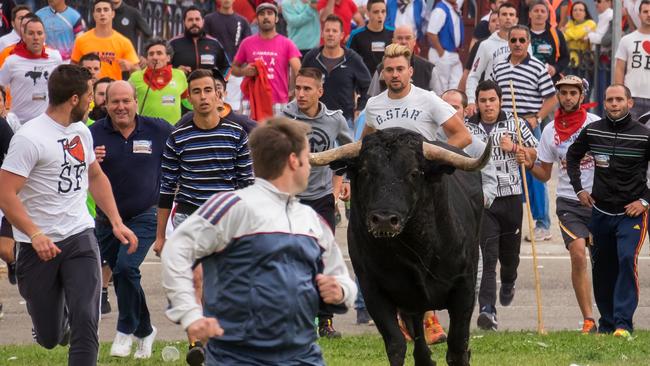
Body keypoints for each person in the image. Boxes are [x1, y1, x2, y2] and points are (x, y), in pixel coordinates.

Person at [161, 116, 357, 365]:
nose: (310, 166)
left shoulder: (310, 220)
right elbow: (176, 250)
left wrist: (340, 291)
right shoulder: (232, 207)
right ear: (294, 161)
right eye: (307, 157)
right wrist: (190, 315)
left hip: (302, 355)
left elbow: (341, 278)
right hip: (238, 356)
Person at [0, 64, 137, 366]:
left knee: (87, 320)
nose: (94, 102)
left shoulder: (80, 131)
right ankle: (52, 326)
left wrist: (116, 222)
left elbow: (96, 176)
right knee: (51, 337)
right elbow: (5, 193)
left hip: (80, 237)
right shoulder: (29, 138)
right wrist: (35, 234)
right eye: (90, 96)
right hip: (38, 247)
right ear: (75, 99)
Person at [154, 69, 255, 364]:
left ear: (218, 94)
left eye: (207, 91)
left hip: (226, 217)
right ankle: (196, 344)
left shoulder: (236, 134)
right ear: (189, 98)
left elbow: (246, 186)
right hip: (189, 216)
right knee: (195, 279)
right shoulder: (178, 137)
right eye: (196, 92)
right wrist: (160, 236)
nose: (203, 97)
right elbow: (166, 188)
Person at [90, 80, 173, 359]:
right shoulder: (92, 134)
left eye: (126, 101)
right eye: (115, 101)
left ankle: (125, 328)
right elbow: (75, 173)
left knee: (125, 269)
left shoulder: (158, 129)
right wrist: (91, 162)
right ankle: (146, 330)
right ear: (106, 104)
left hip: (145, 215)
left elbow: (181, 154)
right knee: (127, 278)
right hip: (106, 221)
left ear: (136, 102)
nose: (121, 107)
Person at [516, 75, 599, 334]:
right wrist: (529, 164)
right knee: (577, 253)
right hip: (568, 201)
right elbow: (545, 174)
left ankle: (611, 315)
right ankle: (588, 319)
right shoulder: (551, 131)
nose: (568, 98)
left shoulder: (596, 124)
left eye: (573, 93)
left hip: (599, 202)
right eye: (563, 93)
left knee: (604, 261)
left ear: (581, 96)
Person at [566, 84, 650, 338]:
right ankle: (607, 323)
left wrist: (645, 201)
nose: (614, 104)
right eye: (609, 100)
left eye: (618, 100)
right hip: (600, 212)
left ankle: (623, 324)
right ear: (604, 103)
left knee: (626, 259)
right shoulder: (593, 131)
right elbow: (572, 156)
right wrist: (579, 189)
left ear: (629, 103)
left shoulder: (644, 135)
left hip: (631, 214)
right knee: (602, 267)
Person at [282, 67, 354, 338]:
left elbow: (348, 152)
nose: (300, 94)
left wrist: (343, 183)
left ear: (320, 91)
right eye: (297, 88)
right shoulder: (284, 116)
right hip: (291, 199)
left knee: (323, 259)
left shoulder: (335, 120)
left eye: (307, 89)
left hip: (322, 199)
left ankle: (325, 321)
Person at [467, 80, 538, 331]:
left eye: (492, 100)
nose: (488, 105)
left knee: (510, 258)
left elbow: (535, 153)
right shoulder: (468, 128)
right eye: (483, 100)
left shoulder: (515, 123)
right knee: (487, 257)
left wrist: (517, 149)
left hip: (511, 198)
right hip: (484, 201)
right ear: (477, 103)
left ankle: (509, 281)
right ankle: (488, 310)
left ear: (500, 101)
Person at [489, 24, 557, 241]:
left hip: (528, 124)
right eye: (513, 40)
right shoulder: (498, 66)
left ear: (528, 43)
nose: (517, 44)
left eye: (521, 40)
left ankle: (543, 224)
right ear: (508, 42)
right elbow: (492, 93)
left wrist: (536, 118)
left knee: (535, 173)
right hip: (504, 125)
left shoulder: (538, 67)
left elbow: (551, 98)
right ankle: (509, 222)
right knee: (507, 172)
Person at [362, 43, 472, 149]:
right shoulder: (373, 105)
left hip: (422, 168)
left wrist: (434, 161)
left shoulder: (429, 99)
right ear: (383, 73)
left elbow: (463, 136)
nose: (395, 75)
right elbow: (363, 145)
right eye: (389, 70)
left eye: (400, 69)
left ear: (410, 72)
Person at [232, 2, 302, 117]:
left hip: (278, 101)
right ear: (257, 18)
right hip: (250, 101)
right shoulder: (247, 43)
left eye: (269, 13)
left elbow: (298, 70)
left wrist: (293, 91)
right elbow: (234, 68)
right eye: (262, 14)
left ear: (276, 19)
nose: (266, 17)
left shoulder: (287, 43)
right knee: (250, 135)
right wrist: (244, 71)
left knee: (278, 135)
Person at [302, 14, 370, 128]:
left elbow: (367, 86)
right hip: (314, 120)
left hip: (344, 122)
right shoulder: (311, 57)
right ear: (322, 33)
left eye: (334, 31)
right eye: (327, 30)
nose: (330, 34)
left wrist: (360, 108)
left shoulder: (352, 58)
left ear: (342, 35)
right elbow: (301, 83)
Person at [0, 16, 63, 124]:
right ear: (23, 36)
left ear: (45, 36)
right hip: (19, 123)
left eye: (39, 33)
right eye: (31, 33)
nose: (36, 37)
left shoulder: (55, 57)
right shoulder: (12, 61)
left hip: (47, 122)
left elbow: (62, 87)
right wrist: (4, 109)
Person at [466, 3, 521, 115]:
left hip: (520, 105)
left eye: (511, 14)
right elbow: (473, 76)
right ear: (498, 19)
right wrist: (471, 100)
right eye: (504, 14)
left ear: (516, 19)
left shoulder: (525, 44)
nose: (508, 17)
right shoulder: (486, 45)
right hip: (492, 105)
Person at [71, 0, 140, 80]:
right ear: (94, 15)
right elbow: (73, 66)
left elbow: (137, 71)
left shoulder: (124, 42)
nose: (102, 13)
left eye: (106, 10)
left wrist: (131, 67)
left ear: (113, 14)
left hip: (112, 89)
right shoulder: (81, 40)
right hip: (88, 89)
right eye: (98, 10)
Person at [203, 0, 252, 110]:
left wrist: (242, 68)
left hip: (235, 71)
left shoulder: (242, 21)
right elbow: (203, 43)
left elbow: (247, 47)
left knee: (232, 108)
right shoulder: (209, 19)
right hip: (214, 71)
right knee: (213, 105)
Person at [128, 38, 187, 125]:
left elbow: (187, 101)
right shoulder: (135, 77)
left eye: (159, 53)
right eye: (151, 54)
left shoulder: (180, 75)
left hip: (173, 131)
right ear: (147, 58)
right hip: (145, 130)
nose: (155, 57)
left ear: (168, 58)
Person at [367, 25, 438, 96]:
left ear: (414, 41)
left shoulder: (429, 69)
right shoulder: (382, 68)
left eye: (408, 38)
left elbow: (439, 99)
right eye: (399, 38)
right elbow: (372, 98)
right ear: (393, 41)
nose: (404, 42)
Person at [169, 6, 231, 75]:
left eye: (197, 19)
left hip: (207, 85)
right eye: (190, 20)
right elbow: (162, 68)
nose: (194, 23)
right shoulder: (173, 43)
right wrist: (175, 72)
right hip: (183, 85)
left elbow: (227, 67)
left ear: (203, 21)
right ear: (184, 22)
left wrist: (220, 81)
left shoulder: (214, 43)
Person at [615, 0, 650, 121]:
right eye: (645, 12)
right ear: (639, 14)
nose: (649, 15)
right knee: (629, 137)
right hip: (631, 98)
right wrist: (619, 95)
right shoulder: (627, 39)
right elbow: (619, 68)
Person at [426, 0, 463, 94]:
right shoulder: (440, 10)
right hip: (442, 53)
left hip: (453, 53)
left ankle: (453, 107)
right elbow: (431, 33)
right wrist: (441, 53)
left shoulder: (454, 6)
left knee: (456, 86)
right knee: (441, 88)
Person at [347, 0, 393, 76]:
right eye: (376, 12)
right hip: (364, 83)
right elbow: (349, 61)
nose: (380, 15)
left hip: (387, 81)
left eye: (383, 11)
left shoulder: (393, 33)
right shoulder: (356, 35)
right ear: (368, 13)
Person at [527, 0, 569, 83]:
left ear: (547, 15)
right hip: (526, 80)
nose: (539, 14)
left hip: (550, 81)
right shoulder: (521, 33)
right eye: (536, 11)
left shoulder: (556, 34)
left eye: (543, 11)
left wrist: (555, 68)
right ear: (530, 14)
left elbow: (565, 57)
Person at [563, 1, 596, 79]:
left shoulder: (591, 23)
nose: (577, 12)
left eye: (581, 10)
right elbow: (564, 37)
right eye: (575, 10)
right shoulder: (569, 23)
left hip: (585, 63)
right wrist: (577, 35)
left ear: (585, 13)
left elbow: (577, 35)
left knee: (583, 88)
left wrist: (567, 32)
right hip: (570, 62)